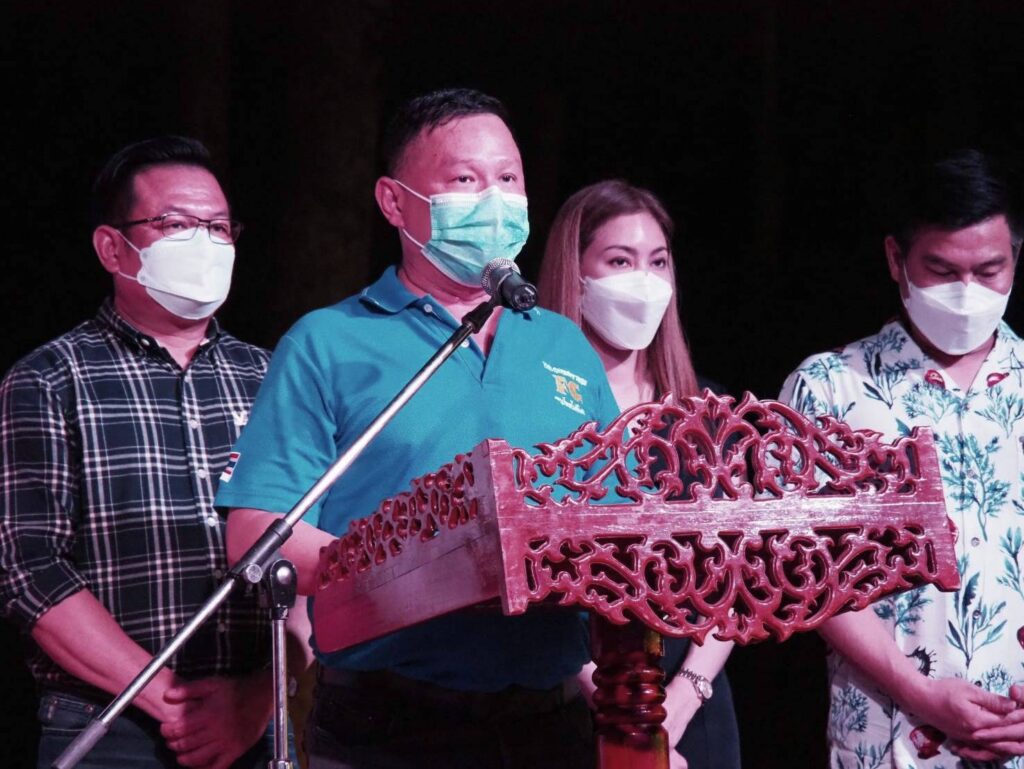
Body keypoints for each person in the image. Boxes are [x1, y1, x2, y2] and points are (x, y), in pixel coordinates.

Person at [215, 88, 621, 769]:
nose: (493, 201)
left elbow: (619, 519)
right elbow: (260, 534)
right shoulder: (327, 342)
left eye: (508, 179)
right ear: (394, 202)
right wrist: (436, 570)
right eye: (465, 180)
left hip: (553, 726)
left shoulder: (561, 343)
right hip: (388, 725)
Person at [0, 136, 310, 769]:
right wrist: (166, 699)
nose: (204, 243)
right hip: (107, 726)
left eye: (218, 227)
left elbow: (317, 550)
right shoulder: (48, 380)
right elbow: (30, 570)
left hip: (256, 726)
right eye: (174, 225)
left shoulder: (274, 376)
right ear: (113, 247)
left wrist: (262, 695)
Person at [780, 148, 1024, 767]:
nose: (966, 292)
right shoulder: (828, 389)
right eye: (941, 270)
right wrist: (919, 691)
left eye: (989, 270)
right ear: (896, 259)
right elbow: (808, 568)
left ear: (1015, 261)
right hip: (886, 741)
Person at [537, 179, 741, 769]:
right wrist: (624, 710)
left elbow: (738, 577)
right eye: (620, 261)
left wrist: (680, 702)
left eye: (657, 261)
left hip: (694, 707)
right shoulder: (538, 415)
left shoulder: (709, 414)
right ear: (575, 275)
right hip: (574, 704)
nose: (644, 280)